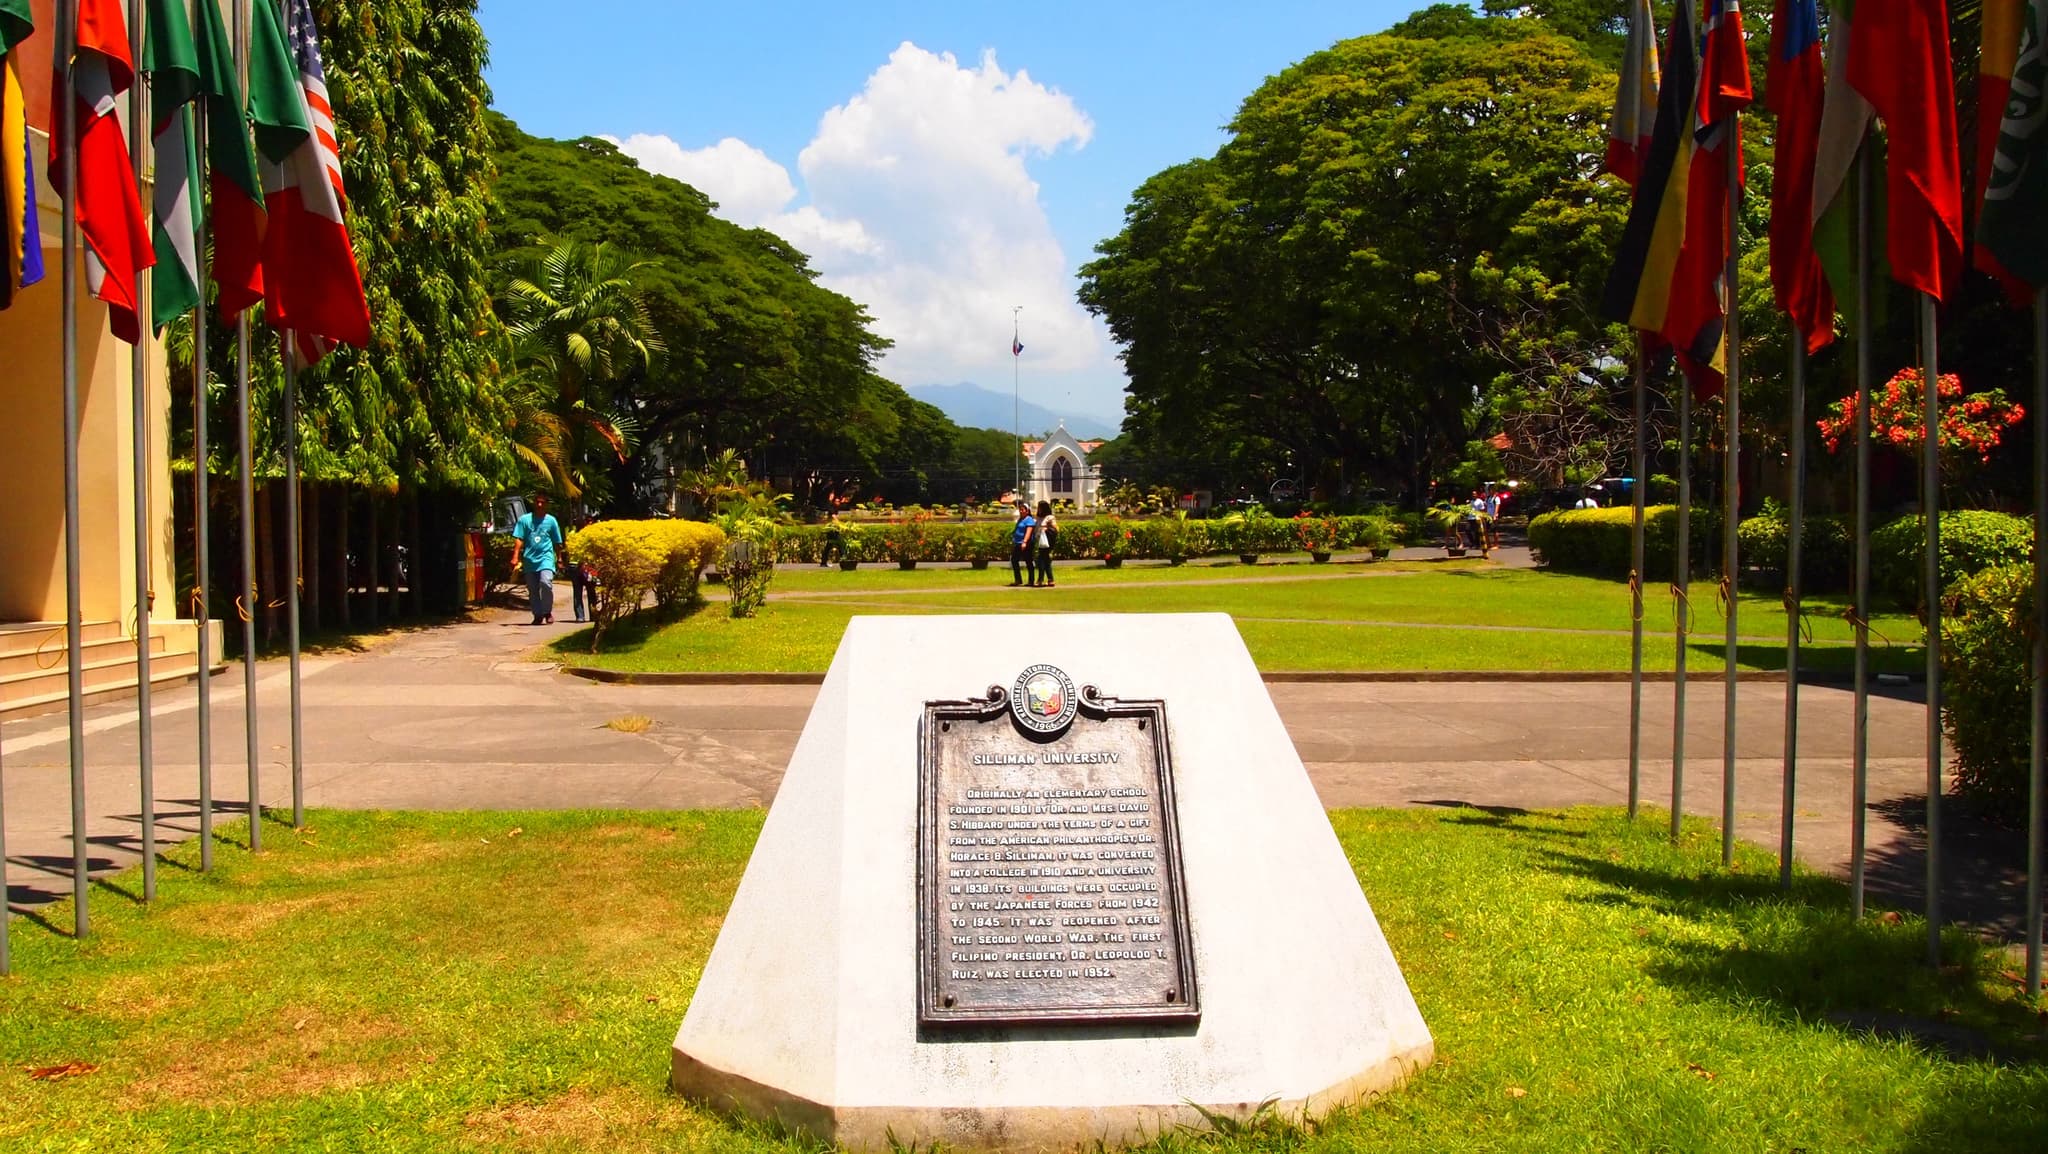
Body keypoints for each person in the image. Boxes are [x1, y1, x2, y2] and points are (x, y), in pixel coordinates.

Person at [511, 493, 565, 625]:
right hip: (529, 560)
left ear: (546, 504)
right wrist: (515, 556)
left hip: (545, 558)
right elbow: (519, 538)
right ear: (534, 503)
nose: (539, 504)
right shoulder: (525, 520)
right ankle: (538, 615)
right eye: (537, 502)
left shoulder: (551, 521)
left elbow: (557, 542)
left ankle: (547, 612)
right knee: (533, 589)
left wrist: (559, 558)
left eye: (542, 502)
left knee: (545, 583)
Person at [1009, 499, 1036, 586]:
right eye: (1020, 509)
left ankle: (1031, 581)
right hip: (1017, 543)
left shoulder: (1029, 520)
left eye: (1022, 509)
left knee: (1028, 561)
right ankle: (1018, 580)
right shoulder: (1020, 519)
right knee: (1014, 560)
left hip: (1025, 544)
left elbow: (1029, 531)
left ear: (1027, 511)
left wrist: (1024, 542)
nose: (1021, 511)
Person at [1033, 500, 1058, 588]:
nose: (1039, 509)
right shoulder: (1038, 518)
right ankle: (1050, 579)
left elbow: (1055, 529)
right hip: (1040, 541)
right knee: (1046, 561)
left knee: (1041, 560)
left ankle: (1040, 579)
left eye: (1040, 508)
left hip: (1046, 542)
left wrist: (1046, 528)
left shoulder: (1050, 517)